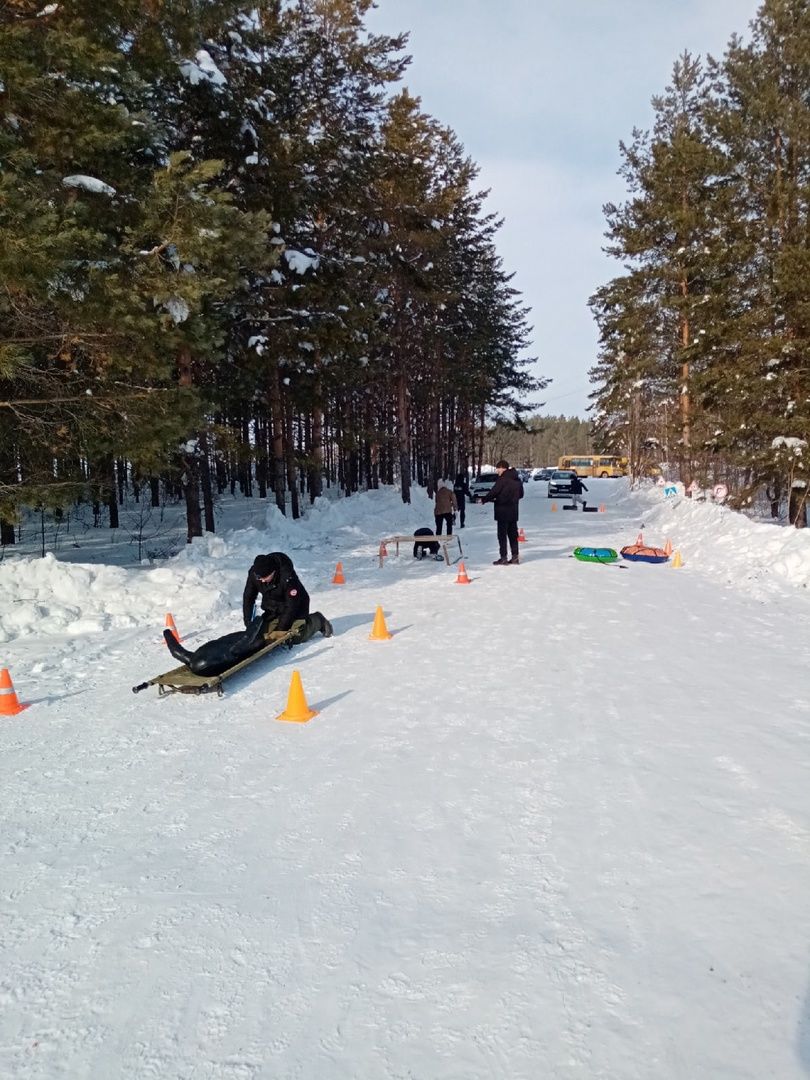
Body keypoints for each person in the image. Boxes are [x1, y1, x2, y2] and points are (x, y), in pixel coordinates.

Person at [163, 552, 332, 677]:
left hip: (296, 607)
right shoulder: (256, 575)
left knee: (292, 636)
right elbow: (248, 597)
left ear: (274, 572)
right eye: (260, 578)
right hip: (272, 608)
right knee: (260, 635)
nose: (262, 581)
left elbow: (291, 605)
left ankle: (318, 620)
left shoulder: (287, 578)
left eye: (266, 578)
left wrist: (282, 630)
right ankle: (276, 627)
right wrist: (248, 623)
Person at [481, 458, 524, 565]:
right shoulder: (517, 480)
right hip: (514, 512)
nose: (497, 471)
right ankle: (515, 557)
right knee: (513, 535)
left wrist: (484, 499)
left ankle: (503, 557)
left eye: (497, 469)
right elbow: (521, 494)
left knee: (502, 535)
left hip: (502, 511)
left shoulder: (502, 479)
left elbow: (494, 492)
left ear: (502, 468)